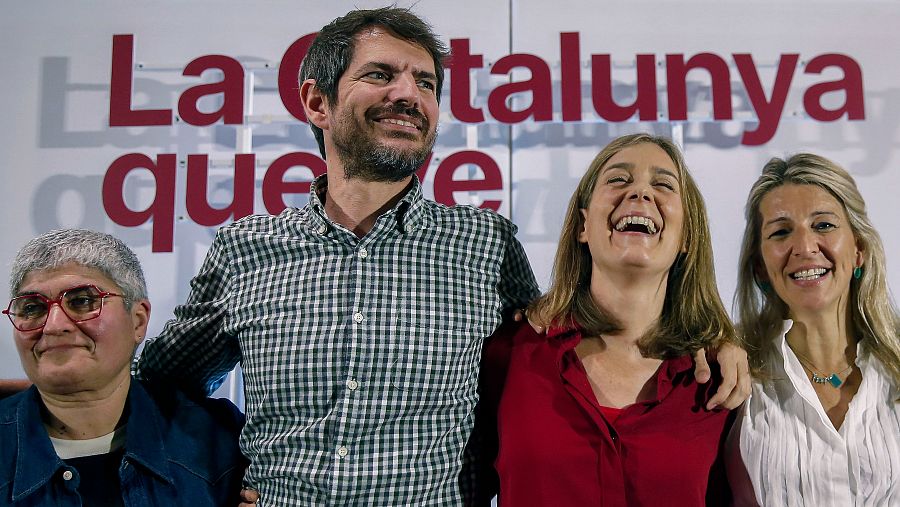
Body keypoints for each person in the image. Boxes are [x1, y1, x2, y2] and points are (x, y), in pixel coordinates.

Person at [137, 7, 749, 505]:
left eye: (425, 83)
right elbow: (158, 389)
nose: (408, 95)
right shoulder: (246, 250)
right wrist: (210, 482)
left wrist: (711, 338)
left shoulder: (486, 245)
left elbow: (566, 346)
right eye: (381, 75)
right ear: (316, 102)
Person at [476, 134, 741, 506]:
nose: (640, 194)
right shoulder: (510, 353)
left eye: (663, 184)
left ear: (687, 237)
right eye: (618, 179)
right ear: (583, 225)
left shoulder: (720, 380)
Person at [0, 229, 246, 506]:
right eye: (32, 308)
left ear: (138, 321)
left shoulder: (220, 442)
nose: (54, 325)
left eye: (82, 301)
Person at [727, 154, 900, 505]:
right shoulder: (732, 373)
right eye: (780, 231)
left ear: (858, 251)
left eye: (823, 226)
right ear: (760, 267)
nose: (805, 247)